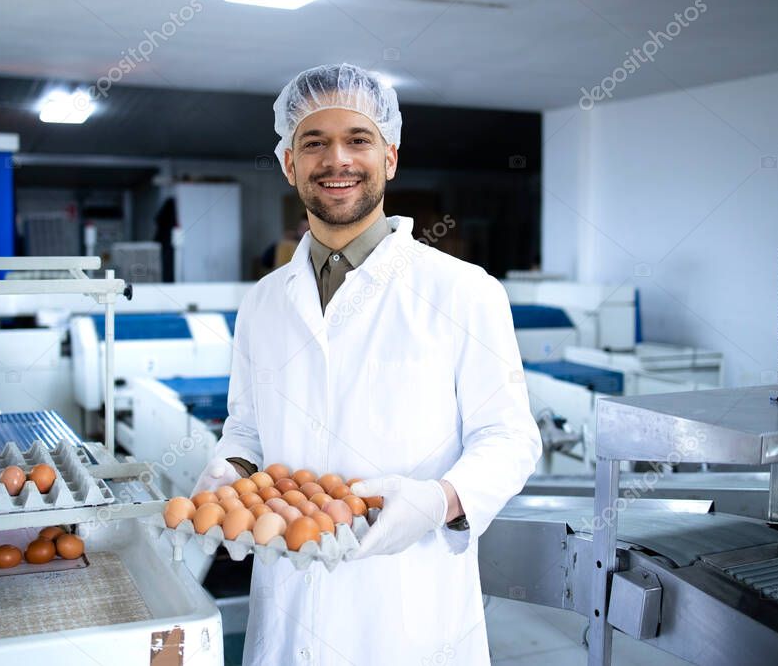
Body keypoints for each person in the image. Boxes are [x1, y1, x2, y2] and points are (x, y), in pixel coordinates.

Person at [193, 63, 541, 666]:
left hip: (408, 611)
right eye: (314, 142)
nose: (337, 160)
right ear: (289, 164)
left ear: (390, 158)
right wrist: (231, 468)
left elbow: (510, 438)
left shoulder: (463, 292)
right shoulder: (263, 302)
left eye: (358, 139)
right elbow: (248, 425)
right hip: (289, 602)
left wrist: (441, 499)